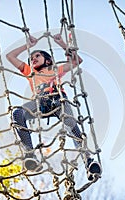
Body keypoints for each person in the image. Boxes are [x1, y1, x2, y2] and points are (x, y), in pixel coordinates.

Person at [6, 33, 101, 180]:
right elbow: (10, 56)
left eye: (37, 56)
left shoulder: (54, 70)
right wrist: (28, 46)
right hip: (40, 103)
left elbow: (77, 61)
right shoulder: (30, 72)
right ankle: (30, 154)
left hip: (57, 100)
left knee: (71, 125)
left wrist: (62, 43)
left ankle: (88, 160)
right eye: (31, 58)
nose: (33, 59)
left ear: (48, 60)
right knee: (17, 114)